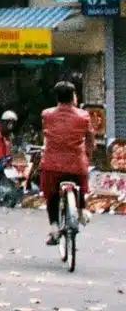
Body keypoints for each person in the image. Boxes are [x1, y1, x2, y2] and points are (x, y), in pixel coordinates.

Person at [39, 81, 93, 245]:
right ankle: (82, 209)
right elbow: (90, 139)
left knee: (51, 194)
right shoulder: (83, 116)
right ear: (73, 97)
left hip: (52, 165)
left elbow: (47, 134)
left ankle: (54, 227)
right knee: (82, 183)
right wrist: (88, 152)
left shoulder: (47, 114)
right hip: (76, 164)